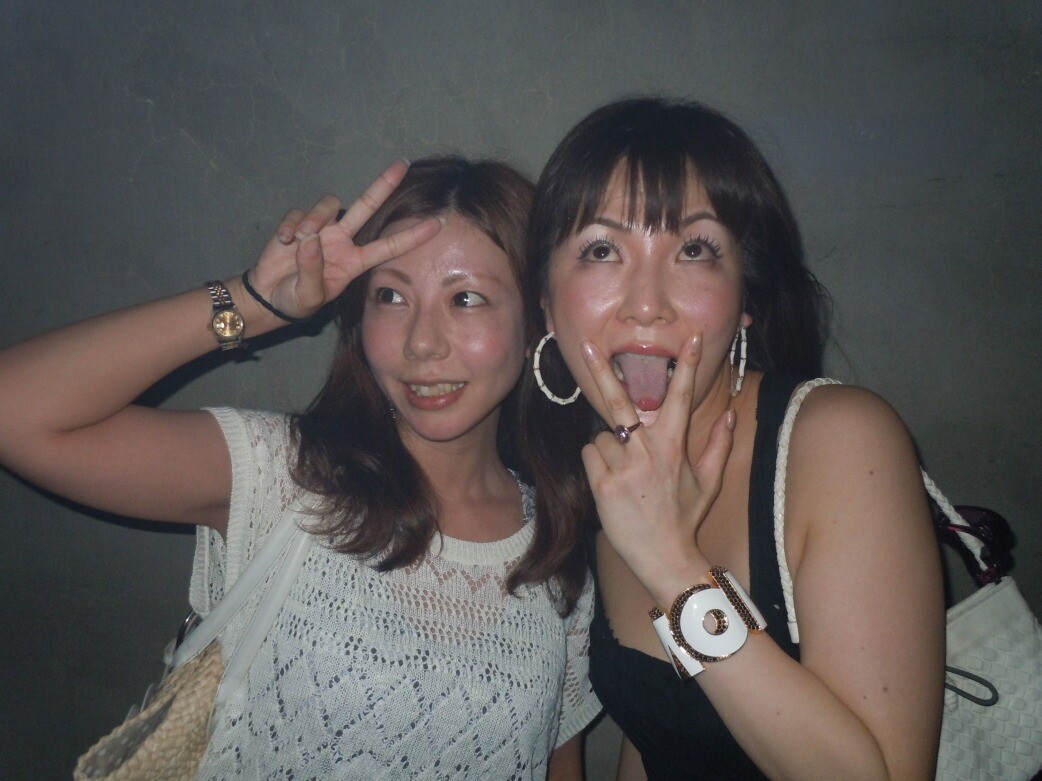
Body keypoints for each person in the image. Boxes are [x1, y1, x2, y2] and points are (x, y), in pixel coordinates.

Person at [0, 156, 600, 779]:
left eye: (466, 298)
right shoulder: (285, 475)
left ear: (536, 322)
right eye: (391, 296)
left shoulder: (557, 544)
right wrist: (253, 303)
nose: (422, 342)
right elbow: (16, 413)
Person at [519, 99, 945, 779]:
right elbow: (658, 734)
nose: (647, 302)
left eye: (694, 249)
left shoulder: (840, 442)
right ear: (545, 300)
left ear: (745, 294)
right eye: (602, 250)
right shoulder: (596, 471)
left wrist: (672, 564)